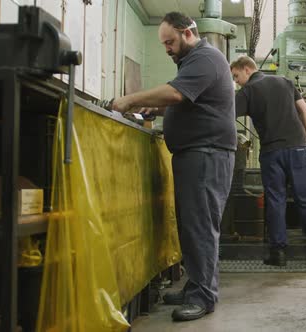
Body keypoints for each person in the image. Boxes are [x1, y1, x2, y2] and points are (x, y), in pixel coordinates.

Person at [112, 12, 236, 321]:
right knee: (191, 225)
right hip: (196, 154)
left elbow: (176, 92)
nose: (167, 49)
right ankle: (197, 284)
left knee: (200, 226)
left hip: (207, 154)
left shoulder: (205, 58)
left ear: (187, 33)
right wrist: (152, 107)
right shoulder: (194, 61)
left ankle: (204, 295)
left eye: (170, 42)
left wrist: (129, 100)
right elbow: (183, 101)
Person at [230, 55, 306, 267]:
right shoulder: (284, 81)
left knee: (276, 200)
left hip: (271, 152)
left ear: (247, 69)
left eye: (236, 76)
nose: (236, 81)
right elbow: (305, 111)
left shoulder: (248, 91)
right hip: (298, 148)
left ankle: (278, 253)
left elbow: (227, 115)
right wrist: (304, 140)